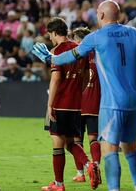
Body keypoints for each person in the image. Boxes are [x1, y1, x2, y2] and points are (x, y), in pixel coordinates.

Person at [32, 0, 136, 191]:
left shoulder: (96, 37)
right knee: (131, 150)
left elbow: (71, 56)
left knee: (110, 152)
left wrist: (50, 58)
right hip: (133, 101)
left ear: (102, 15)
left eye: (97, 13)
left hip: (112, 103)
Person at [41, 17, 101, 191]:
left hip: (60, 103)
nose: (50, 38)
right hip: (76, 105)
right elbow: (88, 75)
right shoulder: (80, 50)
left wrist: (50, 104)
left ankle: (58, 184)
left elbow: (56, 78)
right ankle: (90, 165)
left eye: (50, 35)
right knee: (71, 143)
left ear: (53, 33)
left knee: (57, 142)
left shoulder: (57, 51)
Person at [71, 27, 102, 183]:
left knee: (76, 140)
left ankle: (81, 173)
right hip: (94, 102)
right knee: (93, 138)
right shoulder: (98, 55)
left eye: (75, 39)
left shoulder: (77, 55)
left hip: (77, 103)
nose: (74, 42)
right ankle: (95, 166)